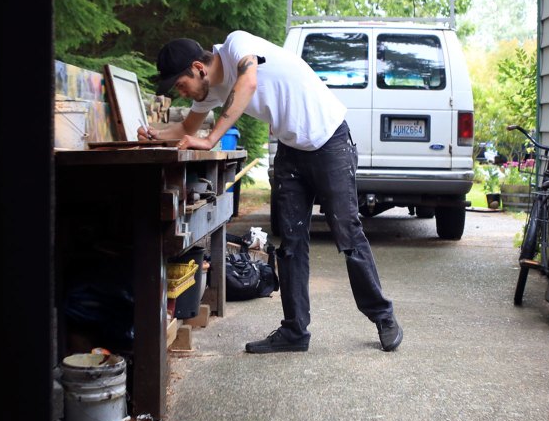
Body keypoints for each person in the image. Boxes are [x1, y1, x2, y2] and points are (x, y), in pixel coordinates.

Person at [139, 31, 403, 353]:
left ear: (198, 68)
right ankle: (295, 331)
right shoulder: (208, 92)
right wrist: (154, 136)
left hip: (330, 140)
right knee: (290, 242)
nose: (182, 94)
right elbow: (185, 129)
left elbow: (247, 83)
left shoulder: (237, 45)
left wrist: (210, 139)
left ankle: (383, 316)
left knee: (348, 234)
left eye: (181, 85)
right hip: (291, 151)